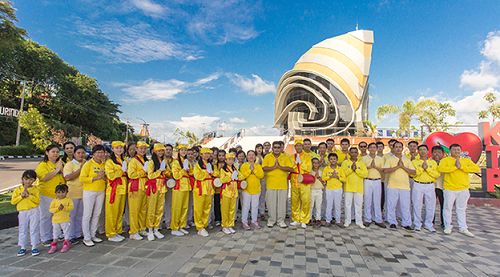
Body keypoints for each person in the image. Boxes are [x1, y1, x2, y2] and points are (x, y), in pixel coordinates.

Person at [438, 144, 480, 237]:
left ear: (461, 150)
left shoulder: (465, 160)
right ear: (450, 151)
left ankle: (463, 227)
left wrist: (461, 167)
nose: (456, 151)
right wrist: (455, 167)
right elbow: (441, 169)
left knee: (461, 209)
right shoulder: (445, 160)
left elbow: (476, 168)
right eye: (454, 150)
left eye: (458, 150)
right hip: (449, 188)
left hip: (463, 189)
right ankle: (448, 226)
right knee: (447, 208)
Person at [35, 144, 65, 246]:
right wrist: (56, 170)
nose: (55, 154)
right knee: (46, 216)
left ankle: (56, 234)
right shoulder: (43, 165)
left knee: (57, 215)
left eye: (57, 152)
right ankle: (45, 237)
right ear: (47, 153)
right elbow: (44, 178)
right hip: (46, 194)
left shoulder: (61, 163)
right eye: (53, 152)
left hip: (59, 195)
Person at [383, 141, 416, 230]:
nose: (398, 149)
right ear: (393, 148)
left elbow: (414, 172)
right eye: (396, 147)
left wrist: (403, 167)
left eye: (399, 147)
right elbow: (385, 171)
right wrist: (397, 167)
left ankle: (406, 223)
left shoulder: (407, 160)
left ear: (402, 148)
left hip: (405, 186)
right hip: (392, 186)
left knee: (405, 206)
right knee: (391, 205)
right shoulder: (390, 159)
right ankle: (392, 222)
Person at [80, 145, 107, 247]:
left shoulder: (104, 164)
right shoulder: (88, 164)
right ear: (93, 153)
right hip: (89, 191)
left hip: (101, 191)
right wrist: (95, 178)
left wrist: (103, 177)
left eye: (102, 152)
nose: (100, 154)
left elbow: (105, 178)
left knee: (97, 214)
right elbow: (82, 178)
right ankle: (86, 237)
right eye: (98, 152)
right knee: (87, 215)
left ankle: (93, 234)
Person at [262, 141, 293, 228]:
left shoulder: (286, 157)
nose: (276, 149)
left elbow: (291, 168)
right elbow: (264, 168)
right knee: (271, 204)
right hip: (271, 184)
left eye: (278, 147)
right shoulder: (268, 157)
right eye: (275, 147)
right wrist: (273, 167)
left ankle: (281, 221)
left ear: (281, 148)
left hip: (282, 184)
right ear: (272, 148)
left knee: (282, 204)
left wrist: (280, 167)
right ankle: (271, 220)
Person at [11, 170, 40, 257]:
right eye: (26, 179)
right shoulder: (18, 190)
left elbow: (37, 201)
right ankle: (23, 247)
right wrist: (21, 196)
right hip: (23, 211)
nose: (28, 181)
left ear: (34, 180)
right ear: (22, 179)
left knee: (34, 228)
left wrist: (29, 196)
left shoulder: (35, 189)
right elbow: (13, 201)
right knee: (23, 229)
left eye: (31, 179)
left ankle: (34, 246)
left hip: (33, 210)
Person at [412, 145, 440, 232]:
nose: (422, 151)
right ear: (418, 152)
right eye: (420, 150)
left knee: (430, 205)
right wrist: (421, 169)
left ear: (428, 151)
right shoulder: (414, 162)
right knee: (417, 205)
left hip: (430, 185)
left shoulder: (433, 162)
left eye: (424, 149)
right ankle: (417, 224)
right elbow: (413, 174)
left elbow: (437, 174)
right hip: (418, 184)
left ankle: (429, 224)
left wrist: (427, 169)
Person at [104, 141, 127, 242]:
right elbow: (111, 176)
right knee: (112, 213)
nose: (119, 149)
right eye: (117, 148)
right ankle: (111, 233)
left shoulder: (124, 160)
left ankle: (117, 231)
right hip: (114, 190)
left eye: (121, 148)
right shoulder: (109, 162)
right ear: (112, 149)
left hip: (122, 189)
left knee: (119, 212)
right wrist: (121, 171)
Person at [63, 145, 86, 244]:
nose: (81, 155)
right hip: (72, 193)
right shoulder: (70, 164)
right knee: (71, 216)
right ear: (74, 154)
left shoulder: (87, 163)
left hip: (84, 193)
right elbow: (67, 177)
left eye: (83, 153)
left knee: (80, 215)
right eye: (78, 153)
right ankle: (70, 235)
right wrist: (80, 169)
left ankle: (78, 233)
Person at [145, 143, 168, 241]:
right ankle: (150, 229)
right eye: (159, 151)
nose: (161, 152)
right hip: (153, 187)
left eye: (162, 150)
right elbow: (150, 176)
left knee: (160, 209)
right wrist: (159, 171)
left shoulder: (164, 161)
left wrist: (166, 172)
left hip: (162, 186)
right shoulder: (151, 162)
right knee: (152, 209)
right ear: (155, 151)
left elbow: (166, 173)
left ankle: (156, 228)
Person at [127, 141, 149, 240]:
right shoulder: (133, 161)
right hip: (136, 186)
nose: (143, 150)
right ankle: (133, 231)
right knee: (134, 210)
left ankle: (142, 228)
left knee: (143, 210)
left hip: (144, 186)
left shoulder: (146, 160)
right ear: (136, 149)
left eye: (144, 148)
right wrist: (143, 172)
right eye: (141, 148)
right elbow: (131, 174)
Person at [342, 147, 368, 229]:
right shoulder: (345, 163)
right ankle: (347, 221)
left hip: (358, 187)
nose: (353, 154)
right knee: (347, 205)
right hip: (348, 187)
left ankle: (359, 221)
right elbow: (342, 174)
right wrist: (351, 170)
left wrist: (356, 170)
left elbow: (365, 174)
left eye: (355, 152)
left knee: (359, 205)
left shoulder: (361, 163)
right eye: (352, 152)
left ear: (357, 153)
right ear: (349, 153)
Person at [170, 145, 193, 236]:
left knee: (184, 207)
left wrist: (190, 170)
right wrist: (184, 170)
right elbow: (176, 176)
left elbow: (191, 172)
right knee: (177, 207)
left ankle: (182, 225)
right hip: (179, 187)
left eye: (185, 150)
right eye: (182, 150)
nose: (184, 152)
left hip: (186, 186)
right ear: (179, 151)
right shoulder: (175, 162)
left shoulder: (187, 161)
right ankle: (174, 227)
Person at [193, 148, 216, 237]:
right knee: (199, 208)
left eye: (208, 154)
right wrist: (207, 172)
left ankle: (204, 224)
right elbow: (197, 175)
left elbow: (216, 173)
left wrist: (213, 172)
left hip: (209, 187)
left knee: (207, 207)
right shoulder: (197, 165)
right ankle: (199, 227)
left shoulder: (211, 164)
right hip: (200, 188)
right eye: (204, 154)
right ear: (201, 155)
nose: (206, 155)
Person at [290, 139, 313, 229]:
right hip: (294, 180)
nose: (298, 147)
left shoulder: (307, 156)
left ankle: (304, 220)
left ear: (302, 146)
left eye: (300, 145)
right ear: (295, 147)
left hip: (304, 180)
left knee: (305, 200)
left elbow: (308, 168)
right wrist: (296, 164)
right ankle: (296, 218)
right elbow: (290, 167)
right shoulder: (292, 157)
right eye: (297, 146)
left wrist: (300, 164)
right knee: (294, 200)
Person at [361, 143, 385, 228]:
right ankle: (367, 219)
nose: (372, 149)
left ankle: (378, 219)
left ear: (376, 149)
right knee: (367, 200)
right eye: (370, 147)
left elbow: (383, 170)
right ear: (368, 149)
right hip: (367, 180)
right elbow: (361, 169)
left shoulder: (380, 159)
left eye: (374, 147)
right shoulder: (363, 158)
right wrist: (369, 167)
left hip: (377, 181)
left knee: (377, 200)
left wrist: (376, 167)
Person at [240, 150, 265, 230]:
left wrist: (254, 170)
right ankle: (244, 221)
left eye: (253, 155)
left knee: (255, 206)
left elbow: (261, 175)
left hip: (256, 189)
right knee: (246, 206)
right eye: (249, 155)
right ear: (247, 157)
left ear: (255, 157)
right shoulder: (244, 165)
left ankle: (254, 221)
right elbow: (242, 176)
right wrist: (249, 170)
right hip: (246, 190)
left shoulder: (258, 166)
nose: (251, 156)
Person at [48, 184, 73, 254]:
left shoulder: (68, 200)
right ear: (56, 193)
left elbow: (71, 207)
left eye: (63, 192)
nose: (61, 194)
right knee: (55, 232)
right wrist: (57, 209)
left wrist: (64, 208)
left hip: (65, 219)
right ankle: (54, 244)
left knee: (66, 231)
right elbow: (50, 210)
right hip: (55, 220)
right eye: (58, 192)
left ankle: (66, 243)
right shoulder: (54, 201)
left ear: (66, 192)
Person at [219, 153, 240, 234]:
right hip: (226, 192)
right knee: (225, 210)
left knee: (232, 209)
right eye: (229, 159)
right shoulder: (223, 169)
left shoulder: (235, 169)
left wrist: (237, 176)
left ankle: (230, 225)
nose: (231, 161)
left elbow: (241, 176)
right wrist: (231, 177)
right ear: (225, 160)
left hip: (234, 192)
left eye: (232, 159)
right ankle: (224, 225)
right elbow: (222, 180)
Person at [322, 153, 344, 226]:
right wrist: (330, 177)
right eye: (331, 159)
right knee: (329, 205)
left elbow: (344, 179)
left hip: (338, 189)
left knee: (337, 205)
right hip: (329, 189)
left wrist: (338, 177)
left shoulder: (340, 169)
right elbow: (323, 178)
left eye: (334, 159)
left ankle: (338, 220)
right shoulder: (326, 169)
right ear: (328, 160)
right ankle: (328, 220)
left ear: (337, 160)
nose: (333, 160)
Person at [432, 146, 445, 228]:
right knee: (431, 205)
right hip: (432, 186)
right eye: (435, 152)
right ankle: (431, 221)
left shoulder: (445, 162)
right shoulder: (429, 162)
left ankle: (444, 222)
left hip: (443, 187)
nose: (437, 154)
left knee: (443, 206)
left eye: (439, 152)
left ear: (442, 154)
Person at [309, 158, 324, 226]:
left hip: (319, 190)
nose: (315, 164)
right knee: (311, 205)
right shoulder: (310, 172)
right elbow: (309, 182)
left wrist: (319, 178)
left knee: (318, 205)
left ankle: (318, 218)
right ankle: (309, 218)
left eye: (317, 163)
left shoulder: (321, 171)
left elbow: (324, 182)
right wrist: (314, 177)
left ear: (319, 164)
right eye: (314, 163)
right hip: (312, 190)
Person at [259, 142, 271, 219]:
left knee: (270, 196)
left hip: (271, 178)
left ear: (270, 147)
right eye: (265, 145)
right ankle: (262, 212)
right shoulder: (260, 156)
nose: (266, 147)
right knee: (262, 195)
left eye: (268, 145)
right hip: (263, 178)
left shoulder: (272, 155)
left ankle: (270, 211)